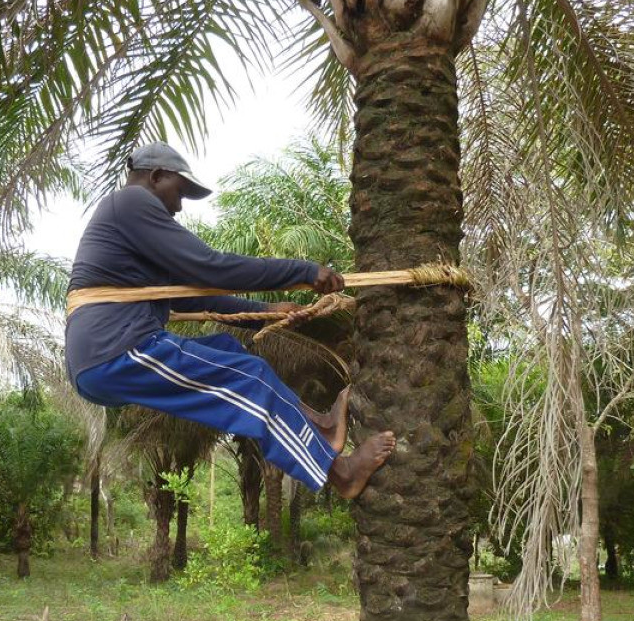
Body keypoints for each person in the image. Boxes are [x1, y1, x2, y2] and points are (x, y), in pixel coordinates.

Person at [65, 142, 395, 498]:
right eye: (180, 192)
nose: (179, 207)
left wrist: (264, 314)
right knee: (249, 378)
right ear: (156, 176)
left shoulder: (130, 229)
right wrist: (303, 271)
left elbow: (195, 295)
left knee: (229, 352)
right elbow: (212, 268)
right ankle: (342, 474)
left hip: (101, 356)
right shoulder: (132, 201)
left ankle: (319, 425)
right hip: (115, 349)